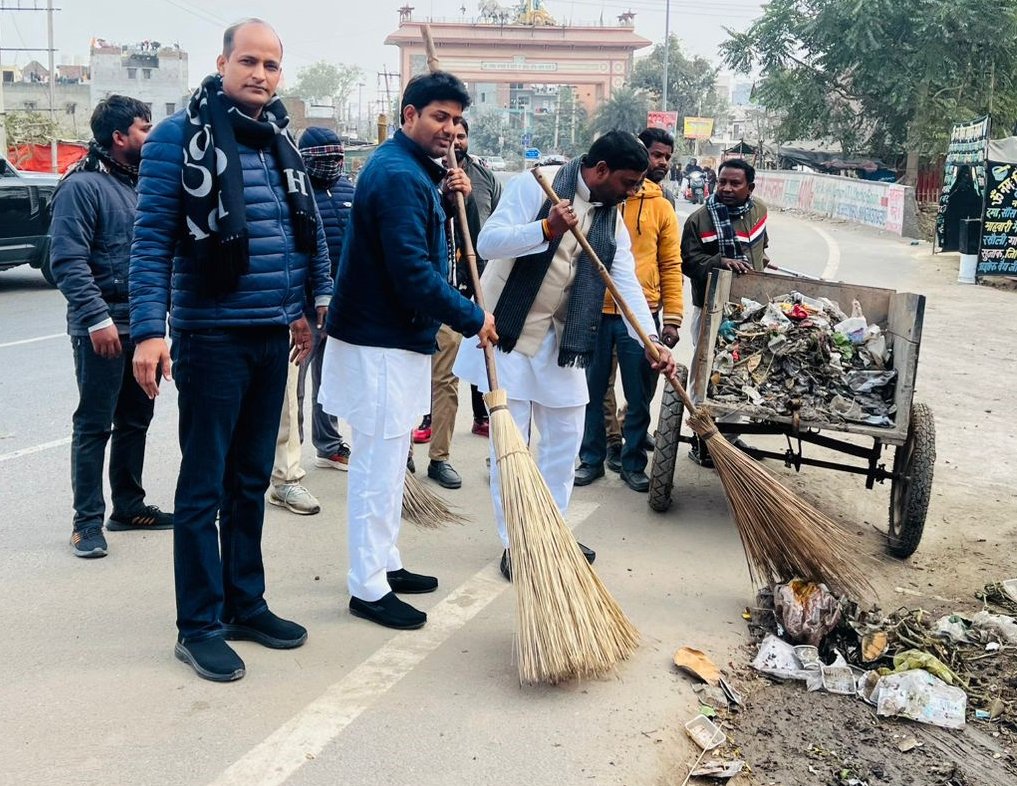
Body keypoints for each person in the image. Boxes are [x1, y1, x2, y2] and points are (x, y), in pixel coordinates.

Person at [130, 19, 333, 682]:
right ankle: (200, 623)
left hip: (270, 335)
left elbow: (298, 235)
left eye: (272, 65)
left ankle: (246, 602)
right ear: (222, 63)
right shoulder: (176, 141)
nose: (260, 74)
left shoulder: (278, 142)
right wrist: (148, 331)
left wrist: (303, 309)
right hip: (210, 337)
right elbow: (152, 243)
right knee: (205, 485)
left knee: (250, 481)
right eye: (249, 61)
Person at [454, 131, 676, 581]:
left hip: (565, 340)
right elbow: (489, 243)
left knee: (565, 438)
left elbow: (623, 278)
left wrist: (650, 339)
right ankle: (515, 542)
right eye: (629, 182)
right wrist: (545, 229)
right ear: (599, 171)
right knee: (511, 448)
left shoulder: (611, 214)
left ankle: (551, 529)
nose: (634, 191)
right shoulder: (535, 185)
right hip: (508, 333)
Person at [319, 71, 497, 631]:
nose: (448, 129)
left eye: (455, 121)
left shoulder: (417, 172)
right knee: (376, 465)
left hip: (396, 338)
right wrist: (473, 318)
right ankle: (367, 587)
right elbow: (412, 272)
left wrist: (447, 202)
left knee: (392, 460)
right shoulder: (397, 174)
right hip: (380, 341)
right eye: (438, 118)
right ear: (408, 115)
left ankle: (387, 562)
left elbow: (419, 239)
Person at [50, 95, 171, 559]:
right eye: (144, 128)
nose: (151, 135)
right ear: (119, 138)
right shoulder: (83, 187)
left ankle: (129, 505)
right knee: (95, 424)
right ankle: (85, 523)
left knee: (137, 419)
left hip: (142, 329)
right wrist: (97, 319)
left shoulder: (142, 185)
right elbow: (67, 261)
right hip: (100, 331)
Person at [576, 127, 683, 492]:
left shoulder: (661, 206)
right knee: (591, 390)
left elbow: (671, 265)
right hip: (595, 310)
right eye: (655, 155)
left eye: (666, 157)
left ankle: (633, 462)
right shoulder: (599, 198)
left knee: (639, 397)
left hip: (642, 313)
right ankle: (591, 458)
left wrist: (671, 319)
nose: (661, 163)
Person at [414, 117, 503, 490]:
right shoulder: (419, 172)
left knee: (446, 380)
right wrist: (444, 197)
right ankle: (401, 456)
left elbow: (485, 239)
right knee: (412, 380)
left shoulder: (483, 179)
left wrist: (463, 201)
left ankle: (440, 457)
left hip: (458, 293)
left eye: (461, 135)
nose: (455, 142)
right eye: (449, 134)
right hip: (420, 295)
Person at [680, 158, 769, 466]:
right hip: (709, 307)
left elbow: (761, 247)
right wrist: (720, 261)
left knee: (744, 371)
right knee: (707, 373)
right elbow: (689, 263)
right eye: (722, 182)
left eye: (735, 183)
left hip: (750, 312)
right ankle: (700, 439)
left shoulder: (759, 212)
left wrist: (761, 263)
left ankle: (729, 437)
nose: (727, 189)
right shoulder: (698, 219)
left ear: (750, 187)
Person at [297, 127, 355, 474]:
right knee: (295, 387)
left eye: (338, 157)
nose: (333, 164)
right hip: (302, 306)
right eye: (324, 159)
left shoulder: (351, 190)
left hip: (340, 304)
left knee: (329, 380)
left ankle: (329, 445)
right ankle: (288, 454)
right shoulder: (296, 193)